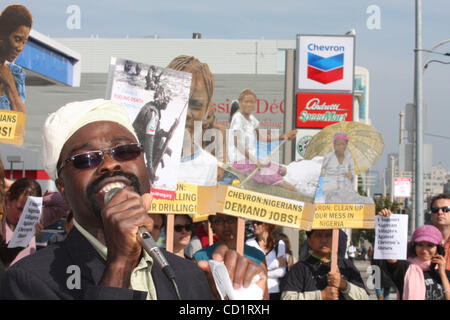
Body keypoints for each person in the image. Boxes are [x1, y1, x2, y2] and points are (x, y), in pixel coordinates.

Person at [0, 99, 267, 299]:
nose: (109, 165)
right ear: (62, 187)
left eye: (125, 151)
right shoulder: (29, 281)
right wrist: (119, 263)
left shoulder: (190, 276)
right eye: (87, 159)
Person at [227, 88, 297, 192]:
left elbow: (260, 137)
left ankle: (269, 188)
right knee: (288, 187)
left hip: (253, 161)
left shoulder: (251, 119)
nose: (249, 105)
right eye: (246, 102)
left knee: (283, 170)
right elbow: (237, 143)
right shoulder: (237, 118)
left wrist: (282, 137)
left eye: (252, 102)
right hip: (242, 164)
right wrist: (255, 160)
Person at [167, 55, 217, 186]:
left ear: (207, 110)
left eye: (196, 105)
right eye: (178, 101)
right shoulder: (139, 159)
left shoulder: (209, 166)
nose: (186, 113)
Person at [281, 229, 369, 300]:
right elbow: (287, 297)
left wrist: (345, 286)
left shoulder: (346, 265)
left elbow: (365, 297)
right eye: (318, 235)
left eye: (328, 235)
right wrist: (321, 296)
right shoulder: (299, 268)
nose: (323, 240)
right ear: (309, 240)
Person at [0, 178, 68, 268]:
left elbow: (65, 203)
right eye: (19, 209)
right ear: (8, 197)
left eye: (26, 212)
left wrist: (38, 198)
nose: (21, 217)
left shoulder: (33, 218)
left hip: (26, 279)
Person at [375, 223, 450, 300]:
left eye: (430, 245)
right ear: (414, 247)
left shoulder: (444, 273)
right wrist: (387, 221)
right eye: (420, 245)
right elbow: (390, 254)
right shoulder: (404, 269)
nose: (424, 250)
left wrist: (442, 274)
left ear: (438, 248)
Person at [380, 193, 450, 271]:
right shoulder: (414, 244)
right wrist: (386, 223)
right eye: (435, 210)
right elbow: (395, 266)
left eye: (446, 209)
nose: (440, 212)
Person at [132, 86, 171, 183]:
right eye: (166, 101)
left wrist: (164, 134)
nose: (167, 104)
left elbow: (154, 131)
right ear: (161, 101)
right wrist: (150, 165)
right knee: (157, 145)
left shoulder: (151, 106)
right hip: (136, 143)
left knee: (160, 142)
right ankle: (148, 173)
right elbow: (149, 140)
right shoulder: (153, 114)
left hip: (140, 138)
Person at [320, 132, 373, 204]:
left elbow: (352, 172)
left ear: (346, 145)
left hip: (345, 188)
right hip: (331, 189)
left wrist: (350, 175)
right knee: (335, 200)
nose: (341, 146)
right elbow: (319, 168)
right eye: (338, 144)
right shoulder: (328, 157)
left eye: (343, 144)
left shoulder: (349, 157)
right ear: (334, 145)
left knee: (368, 201)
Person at [194, 214, 265, 266]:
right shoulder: (200, 258)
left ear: (240, 222)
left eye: (231, 220)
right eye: (219, 221)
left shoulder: (257, 256)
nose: (226, 225)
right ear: (212, 225)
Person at [0, 4, 32, 113]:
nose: (20, 48)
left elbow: (20, 124)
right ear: (2, 34)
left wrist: (11, 87)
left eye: (24, 42)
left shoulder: (16, 74)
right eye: (17, 39)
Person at [246, 221, 286, 300]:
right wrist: (276, 263)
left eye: (258, 223)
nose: (254, 224)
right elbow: (250, 271)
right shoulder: (249, 243)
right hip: (255, 291)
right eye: (253, 222)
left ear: (267, 225)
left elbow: (282, 272)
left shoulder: (279, 244)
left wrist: (260, 273)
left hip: (274, 292)